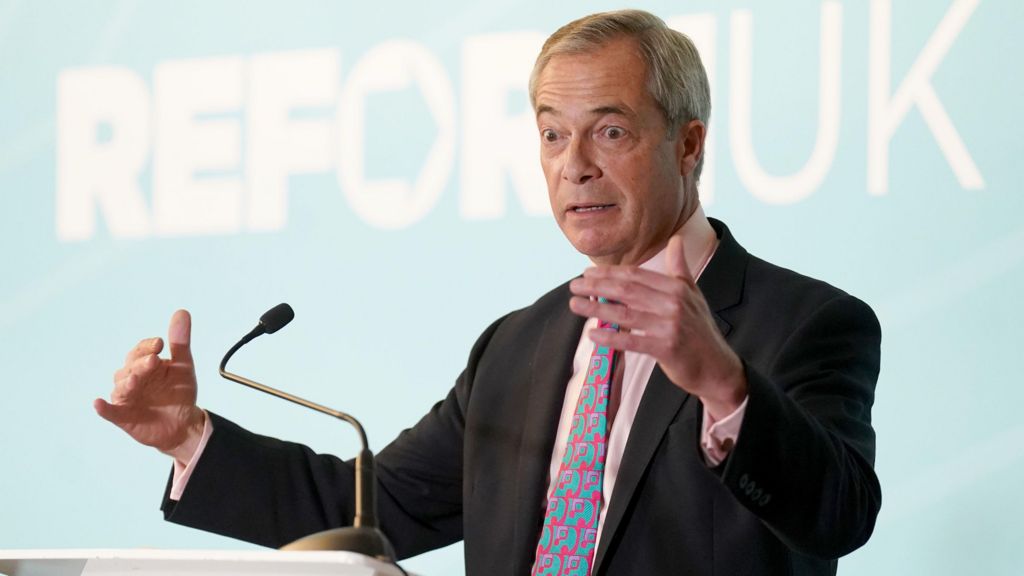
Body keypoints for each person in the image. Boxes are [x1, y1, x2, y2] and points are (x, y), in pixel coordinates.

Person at [96, 9, 881, 576]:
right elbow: (369, 514)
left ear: (688, 142)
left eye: (608, 130)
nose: (575, 163)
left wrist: (721, 381)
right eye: (551, 133)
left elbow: (839, 518)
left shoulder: (805, 324)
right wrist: (187, 436)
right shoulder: (518, 346)